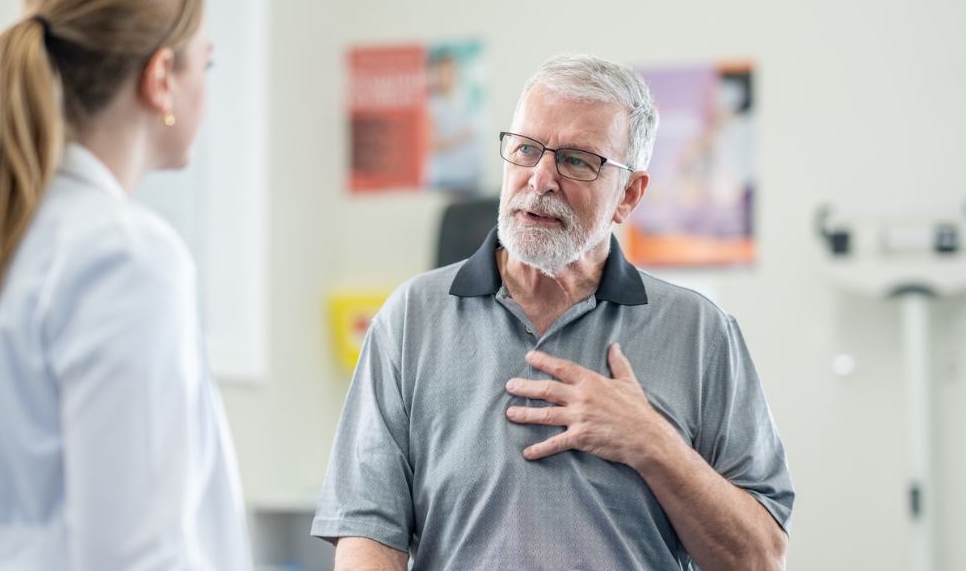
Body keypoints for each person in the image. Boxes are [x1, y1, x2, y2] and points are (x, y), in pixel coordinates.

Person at [312, 54, 793, 570]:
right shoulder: (410, 319)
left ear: (628, 195)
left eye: (577, 160)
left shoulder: (701, 333)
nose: (540, 178)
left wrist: (653, 444)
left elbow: (760, 558)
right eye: (525, 149)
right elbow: (367, 535)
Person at [0, 0, 251, 569]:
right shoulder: (126, 258)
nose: (208, 88)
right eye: (208, 65)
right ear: (161, 77)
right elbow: (137, 556)